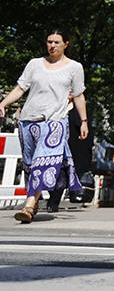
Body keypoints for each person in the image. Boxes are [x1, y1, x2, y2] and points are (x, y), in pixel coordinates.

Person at [0, 29, 87, 223]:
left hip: (55, 121)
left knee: (43, 163)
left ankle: (29, 205)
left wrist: (84, 121)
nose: (52, 45)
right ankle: (35, 201)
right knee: (30, 165)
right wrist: (3, 104)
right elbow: (20, 88)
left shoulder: (75, 67)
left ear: (66, 44)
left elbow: (79, 95)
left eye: (56, 42)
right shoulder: (35, 64)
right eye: (49, 42)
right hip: (28, 120)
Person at [47, 91, 95, 211]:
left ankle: (54, 202)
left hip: (75, 147)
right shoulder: (55, 106)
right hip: (55, 144)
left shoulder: (81, 109)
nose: (69, 92)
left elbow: (88, 132)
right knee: (54, 171)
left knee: (64, 173)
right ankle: (52, 199)